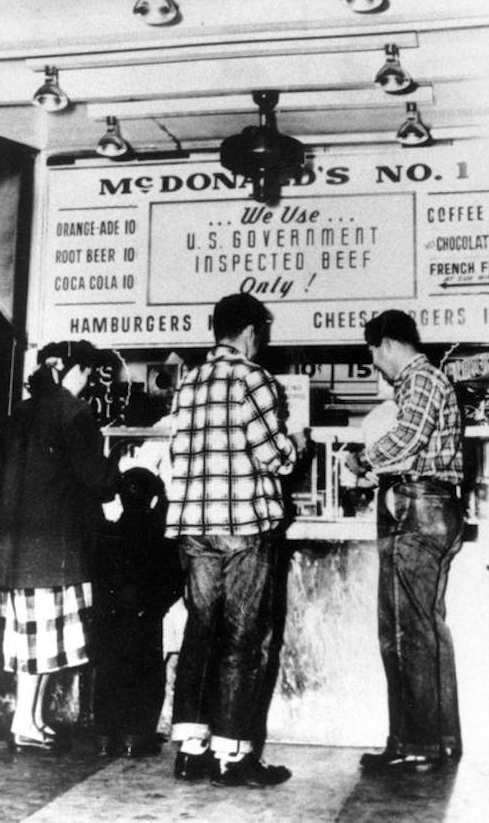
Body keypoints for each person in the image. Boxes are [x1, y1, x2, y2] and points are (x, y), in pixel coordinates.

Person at [167, 292, 304, 788]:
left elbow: (180, 454)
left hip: (193, 528)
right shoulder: (254, 379)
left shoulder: (188, 383)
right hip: (244, 527)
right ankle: (233, 756)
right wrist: (296, 446)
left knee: (200, 632)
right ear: (251, 332)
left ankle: (189, 749)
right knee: (243, 639)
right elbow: (273, 456)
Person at [346, 310, 464, 772]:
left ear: (389, 344)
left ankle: (415, 743)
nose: (376, 364)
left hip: (416, 506)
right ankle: (439, 739)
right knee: (427, 629)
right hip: (435, 505)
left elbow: (408, 439)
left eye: (374, 353)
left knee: (403, 631)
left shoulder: (420, 380)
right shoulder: (432, 380)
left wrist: (363, 459)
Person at [0, 340, 123, 753]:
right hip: (54, 549)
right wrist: (117, 454)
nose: (87, 383)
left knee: (31, 644)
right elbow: (100, 482)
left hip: (18, 547)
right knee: (41, 646)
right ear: (63, 368)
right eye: (84, 373)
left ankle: (30, 718)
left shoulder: (24, 410)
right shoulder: (72, 411)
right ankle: (24, 724)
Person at [91, 466, 184, 758]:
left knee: (107, 671)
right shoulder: (163, 543)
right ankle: (136, 737)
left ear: (119, 496)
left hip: (110, 618)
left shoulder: (106, 536)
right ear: (154, 498)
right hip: (145, 620)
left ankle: (105, 736)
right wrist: (153, 607)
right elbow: (174, 583)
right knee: (145, 674)